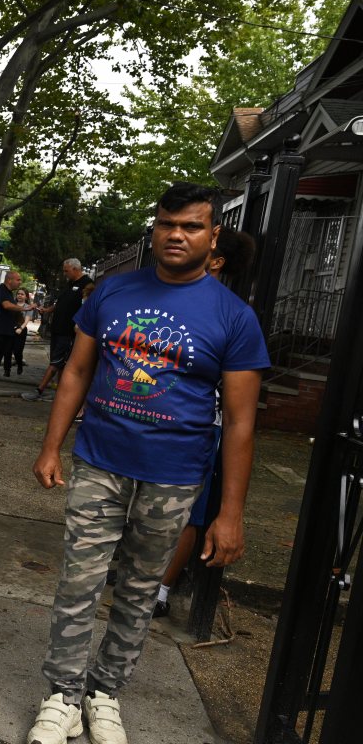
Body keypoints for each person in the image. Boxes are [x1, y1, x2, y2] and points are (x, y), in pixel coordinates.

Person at [25, 182, 269, 744]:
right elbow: (78, 374)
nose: (176, 235)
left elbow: (240, 423)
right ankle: (62, 695)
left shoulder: (233, 319)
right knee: (78, 583)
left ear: (213, 239)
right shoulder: (111, 293)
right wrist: (50, 445)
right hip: (99, 463)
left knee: (139, 588)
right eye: (166, 224)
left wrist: (229, 513)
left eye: (190, 226)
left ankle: (105, 692)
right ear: (154, 230)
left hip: (174, 475)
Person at [154, 227, 257, 618]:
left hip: (200, 430)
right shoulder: (171, 298)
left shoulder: (229, 313)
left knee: (186, 513)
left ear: (216, 260)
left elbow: (237, 408)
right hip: (158, 422)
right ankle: (144, 577)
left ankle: (161, 591)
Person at [23, 258, 93, 401]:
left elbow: (88, 308)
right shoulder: (69, 284)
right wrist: (47, 310)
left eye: (66, 271)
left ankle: (39, 390)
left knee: (56, 362)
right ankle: (60, 391)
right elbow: (61, 303)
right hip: (57, 329)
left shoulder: (87, 285)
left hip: (68, 332)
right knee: (60, 363)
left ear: (75, 269)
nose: (64, 273)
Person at [4, 288, 31, 377]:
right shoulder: (12, 305)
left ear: (26, 297)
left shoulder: (28, 307)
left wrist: (21, 328)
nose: (19, 295)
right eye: (18, 293)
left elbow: (26, 320)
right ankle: (7, 370)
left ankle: (19, 364)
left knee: (17, 351)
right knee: (7, 351)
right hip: (10, 329)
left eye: (22, 294)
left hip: (21, 331)